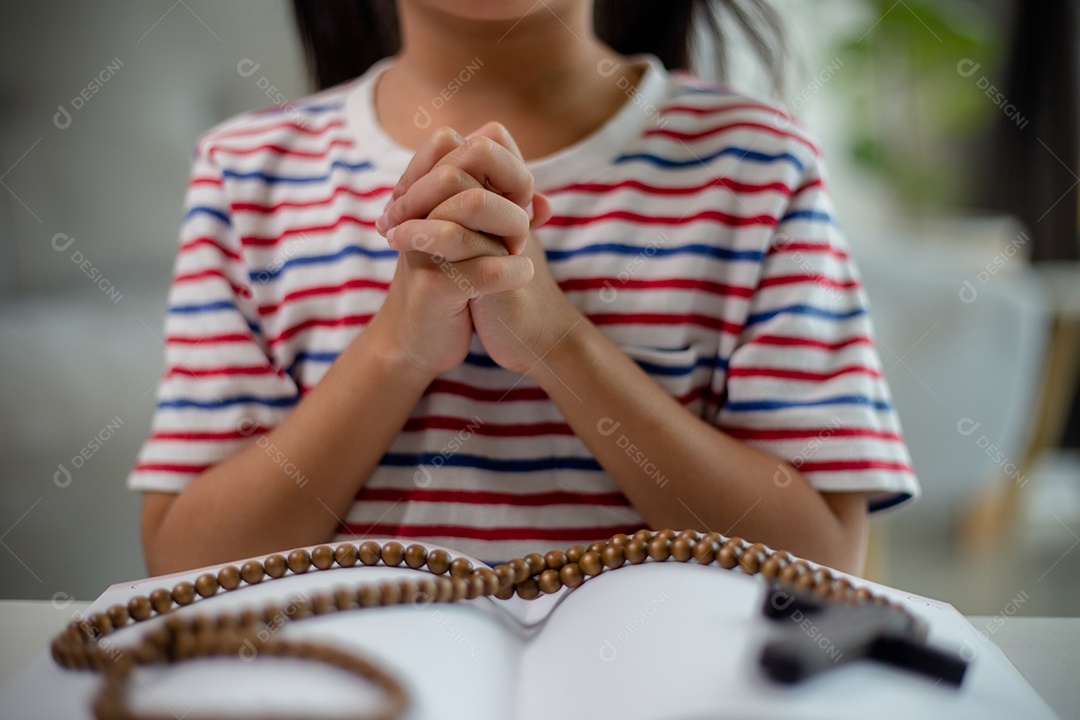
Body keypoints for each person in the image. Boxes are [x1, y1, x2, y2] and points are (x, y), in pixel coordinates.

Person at [131, 0, 918, 577]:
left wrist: (556, 341)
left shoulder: (758, 166)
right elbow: (187, 558)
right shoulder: (245, 174)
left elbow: (824, 561)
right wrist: (394, 349)